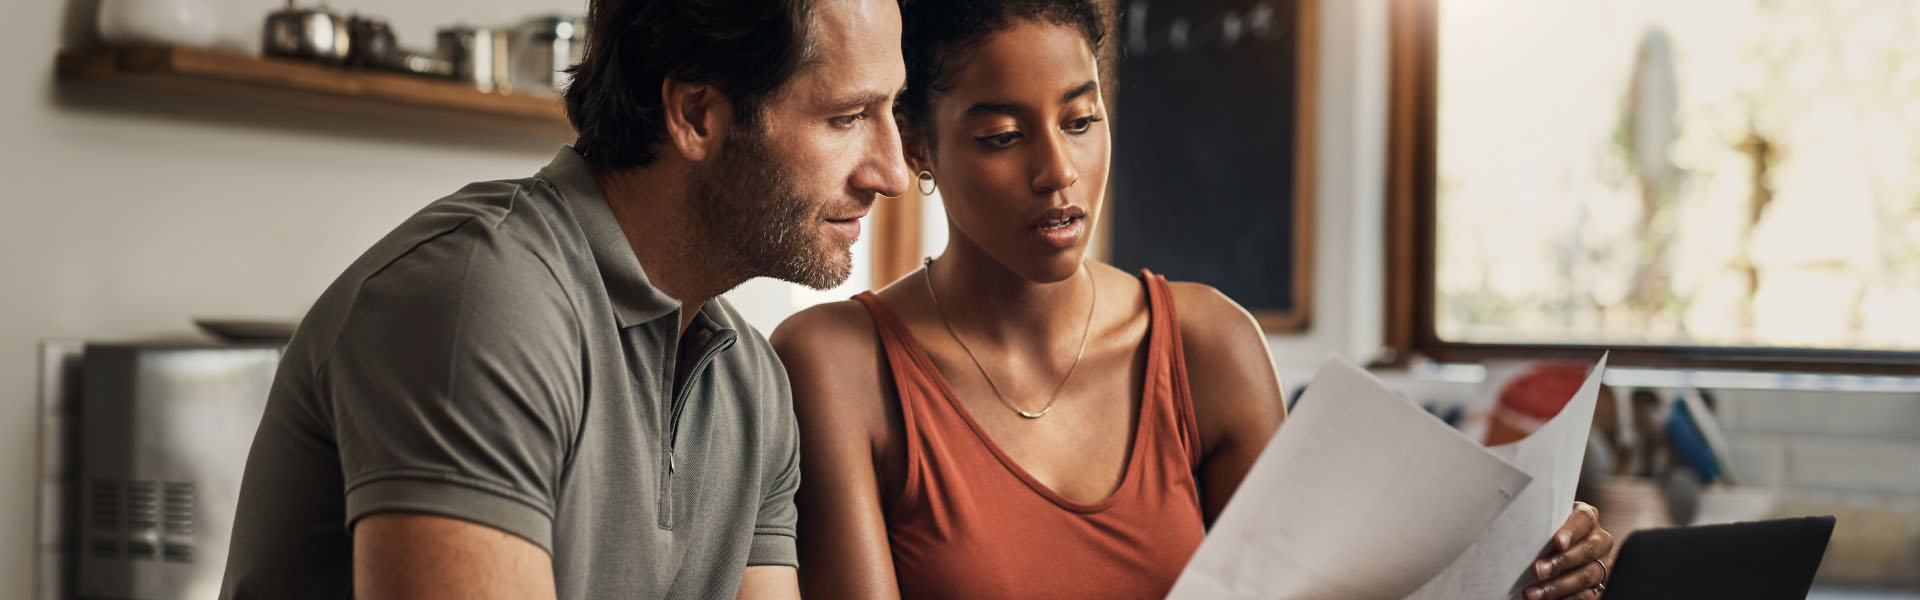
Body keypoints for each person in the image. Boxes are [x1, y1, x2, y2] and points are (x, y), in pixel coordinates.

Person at [769, 1, 1614, 598]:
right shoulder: (837, 365)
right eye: (1000, 136)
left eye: (1080, 120)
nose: (1057, 174)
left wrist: (1522, 574)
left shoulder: (1208, 346)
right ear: (916, 143)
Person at [218, 0, 910, 597]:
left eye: (893, 112)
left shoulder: (749, 385)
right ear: (697, 114)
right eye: (847, 117)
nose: (893, 171)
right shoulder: (479, 300)